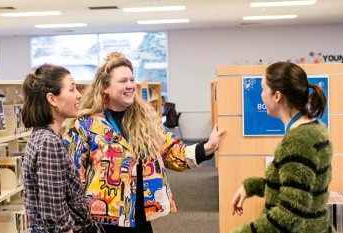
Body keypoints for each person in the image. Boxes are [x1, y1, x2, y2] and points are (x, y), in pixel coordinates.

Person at [63, 51, 226, 233]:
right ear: (105, 88)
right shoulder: (85, 125)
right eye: (123, 81)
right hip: (101, 221)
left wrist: (207, 147)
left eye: (132, 80)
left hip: (140, 216)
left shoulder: (146, 120)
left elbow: (172, 152)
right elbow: (73, 176)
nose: (130, 85)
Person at [231, 61, 334, 233]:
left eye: (264, 89)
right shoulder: (312, 130)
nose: (261, 95)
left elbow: (290, 213)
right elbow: (295, 188)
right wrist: (250, 187)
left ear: (277, 96)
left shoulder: (299, 141)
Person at [22, 64, 104, 233]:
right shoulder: (48, 143)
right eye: (72, 90)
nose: (79, 95)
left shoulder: (46, 136)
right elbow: (55, 215)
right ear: (52, 99)